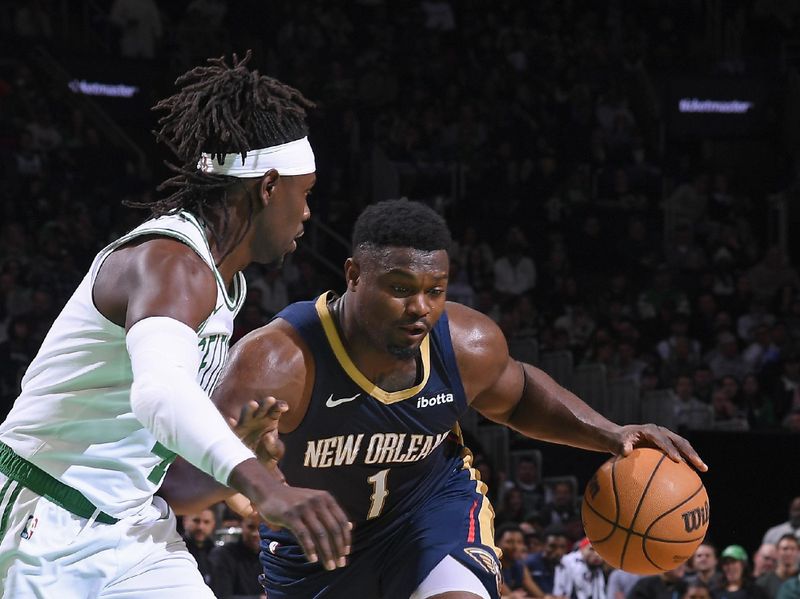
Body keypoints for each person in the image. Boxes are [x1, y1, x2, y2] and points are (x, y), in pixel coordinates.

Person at [168, 199, 706, 598]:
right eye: (400, 288)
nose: (421, 307)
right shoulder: (278, 362)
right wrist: (235, 468)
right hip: (318, 547)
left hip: (430, 513)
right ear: (354, 275)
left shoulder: (465, 344)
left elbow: (517, 399)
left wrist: (607, 433)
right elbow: (180, 490)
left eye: (436, 289)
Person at [0, 52, 351, 597]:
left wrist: (238, 454)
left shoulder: (219, 284)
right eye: (304, 193)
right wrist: (263, 488)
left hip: (136, 528)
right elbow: (159, 395)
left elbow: (180, 487)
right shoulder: (171, 264)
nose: (307, 212)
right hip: (42, 522)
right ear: (268, 186)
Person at [209, 513, 265, 598]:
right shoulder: (223, 554)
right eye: (251, 527)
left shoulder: (270, 556)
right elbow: (221, 596)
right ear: (241, 525)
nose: (256, 534)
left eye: (260, 529)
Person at [496, 524, 545, 598]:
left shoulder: (519, 565)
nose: (515, 546)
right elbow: (510, 596)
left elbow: (540, 595)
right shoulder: (491, 566)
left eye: (519, 542)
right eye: (509, 542)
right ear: (497, 544)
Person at [527, 526, 571, 595]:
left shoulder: (568, 566)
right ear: (543, 545)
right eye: (552, 546)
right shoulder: (529, 562)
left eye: (562, 547)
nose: (558, 552)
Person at [757, 534, 800, 599]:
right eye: (785, 549)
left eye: (793, 549)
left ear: (798, 552)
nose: (789, 553)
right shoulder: (763, 582)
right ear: (777, 551)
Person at [183, 508, 217, 586]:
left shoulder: (217, 554)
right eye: (196, 521)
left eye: (206, 522)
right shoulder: (173, 551)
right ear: (185, 521)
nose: (200, 527)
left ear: (213, 525)